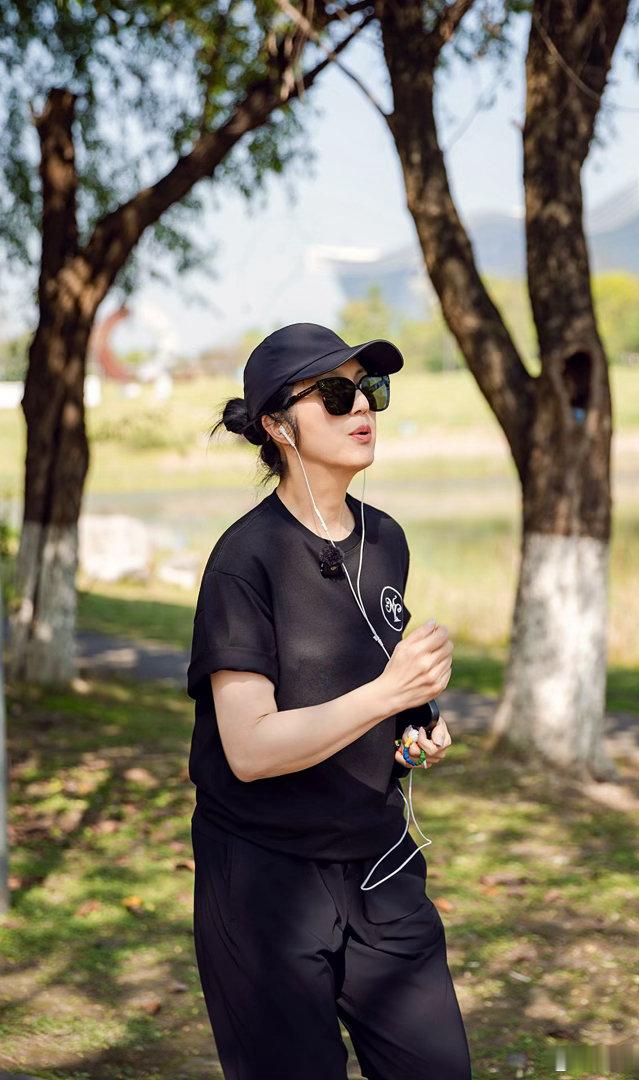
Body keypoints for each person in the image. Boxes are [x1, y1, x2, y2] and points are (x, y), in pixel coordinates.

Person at [186, 322, 472, 1080]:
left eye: (369, 390)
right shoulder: (243, 562)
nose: (363, 408)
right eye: (337, 396)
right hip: (266, 883)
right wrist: (387, 693)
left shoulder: (387, 540)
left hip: (381, 866)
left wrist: (413, 723)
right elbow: (249, 750)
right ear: (278, 427)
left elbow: (361, 679)